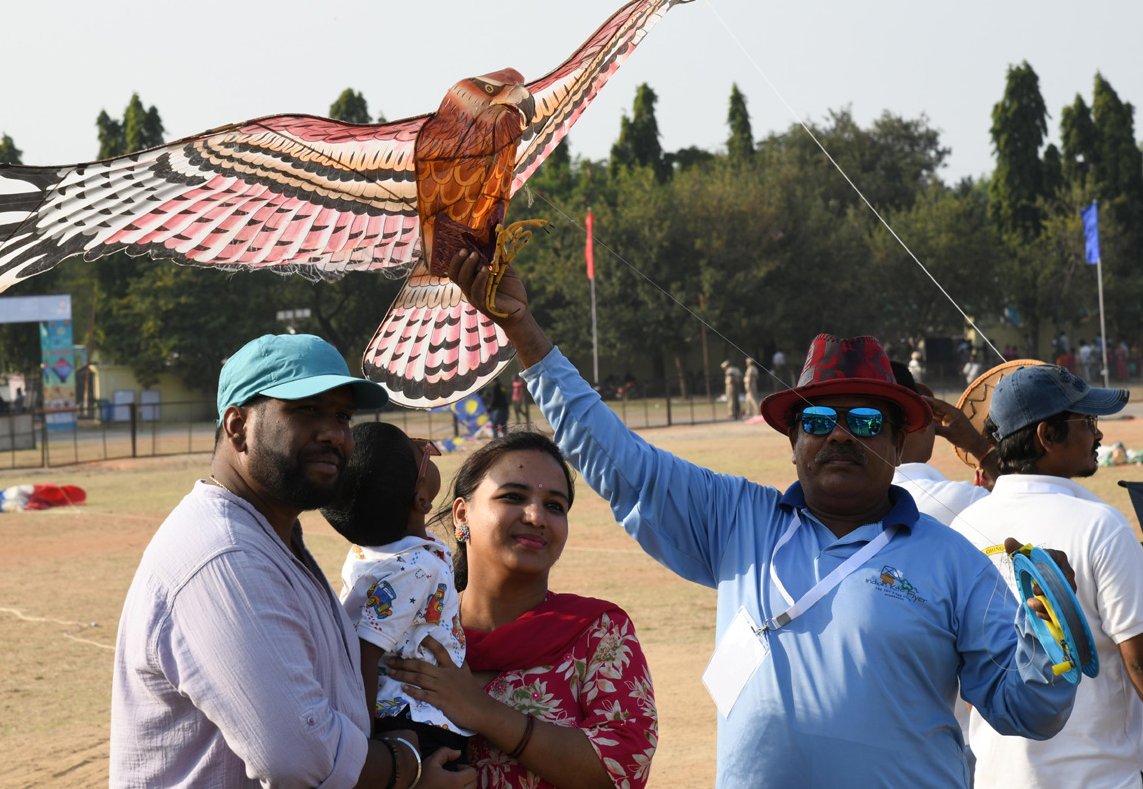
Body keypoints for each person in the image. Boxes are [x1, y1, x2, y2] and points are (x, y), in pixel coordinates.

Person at [445, 248, 1077, 789]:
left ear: (894, 443)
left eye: (863, 422)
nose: (839, 438)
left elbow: (1030, 711)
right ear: (792, 441)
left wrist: (1052, 633)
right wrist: (522, 328)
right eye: (818, 422)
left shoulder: (953, 559)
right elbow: (615, 456)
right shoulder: (739, 519)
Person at [110, 333, 474, 789]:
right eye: (305, 410)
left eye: (342, 415)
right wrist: (407, 765)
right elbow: (298, 757)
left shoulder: (268, 537)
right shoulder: (227, 559)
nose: (335, 434)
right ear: (237, 426)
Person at [385, 432, 658, 789]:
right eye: (513, 496)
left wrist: (482, 712)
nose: (536, 517)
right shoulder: (407, 627)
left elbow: (624, 767)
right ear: (462, 514)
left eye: (555, 506)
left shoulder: (598, 633)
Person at [951, 365, 1143, 789]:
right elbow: (1138, 658)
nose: (1099, 436)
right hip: (1100, 778)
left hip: (994, 777)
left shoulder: (960, 528)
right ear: (1047, 436)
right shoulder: (1101, 524)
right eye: (1087, 422)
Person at [321, 422, 473, 766]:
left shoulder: (372, 549)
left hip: (409, 713)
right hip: (415, 720)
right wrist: (369, 741)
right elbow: (365, 651)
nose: (426, 447)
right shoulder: (416, 567)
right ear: (422, 499)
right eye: (420, 452)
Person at [889, 362, 992, 525]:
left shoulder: (851, 496)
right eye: (929, 413)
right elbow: (1021, 501)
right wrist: (977, 445)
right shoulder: (958, 498)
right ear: (921, 422)